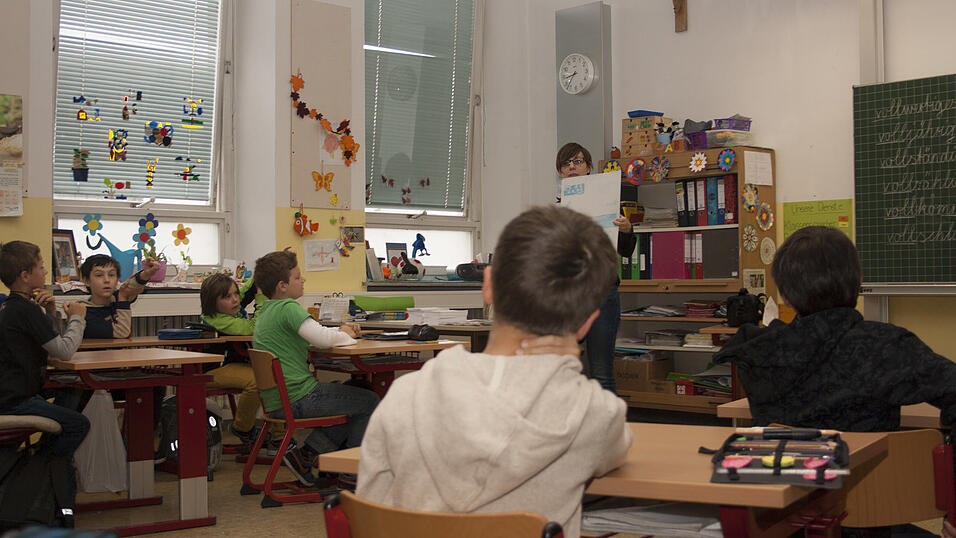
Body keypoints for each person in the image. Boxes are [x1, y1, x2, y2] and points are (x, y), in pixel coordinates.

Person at [357, 206, 633, 538]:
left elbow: (370, 510)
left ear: (487, 286)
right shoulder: (595, 413)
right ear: (590, 318)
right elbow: (617, 451)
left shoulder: (404, 397)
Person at [714, 226, 956, 432]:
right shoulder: (886, 345)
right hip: (870, 484)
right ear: (858, 282)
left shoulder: (760, 352)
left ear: (785, 297)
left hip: (786, 479)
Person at [252, 249, 379, 487]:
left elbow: (316, 335)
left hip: (277, 400)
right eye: (298, 277)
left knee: (354, 392)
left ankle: (306, 455)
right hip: (298, 397)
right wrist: (344, 333)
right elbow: (324, 340)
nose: (303, 280)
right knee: (368, 401)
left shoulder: (265, 311)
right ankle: (351, 474)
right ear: (282, 285)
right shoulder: (288, 307)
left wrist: (338, 334)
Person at [0, 241, 90, 501]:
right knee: (77, 424)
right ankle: (40, 468)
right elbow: (63, 351)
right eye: (40, 267)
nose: (45, 272)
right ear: (25, 276)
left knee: (73, 392)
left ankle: (37, 465)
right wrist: (77, 317)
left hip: (12, 394)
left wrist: (50, 311)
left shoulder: (14, 306)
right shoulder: (25, 309)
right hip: (15, 401)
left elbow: (50, 343)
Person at [556, 142, 637, 393]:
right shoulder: (557, 210)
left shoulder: (608, 203)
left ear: (589, 168)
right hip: (568, 296)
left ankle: (608, 429)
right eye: (566, 163)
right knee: (563, 369)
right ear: (560, 172)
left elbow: (625, 250)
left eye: (578, 162)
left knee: (601, 370)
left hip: (602, 293)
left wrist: (627, 229)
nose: (572, 167)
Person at [200, 273, 283, 451]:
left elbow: (247, 290)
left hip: (233, 365)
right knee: (258, 380)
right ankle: (242, 428)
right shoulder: (217, 319)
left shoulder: (230, 310)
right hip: (213, 371)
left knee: (274, 376)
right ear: (211, 302)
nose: (235, 300)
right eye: (227, 297)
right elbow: (254, 328)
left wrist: (265, 270)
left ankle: (279, 437)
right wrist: (261, 299)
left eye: (235, 294)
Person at [78, 254, 161, 339]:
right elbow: (122, 333)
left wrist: (146, 274)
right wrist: (123, 297)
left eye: (111, 275)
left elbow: (130, 286)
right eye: (99, 275)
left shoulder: (115, 297)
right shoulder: (81, 312)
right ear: (86, 281)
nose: (107, 280)